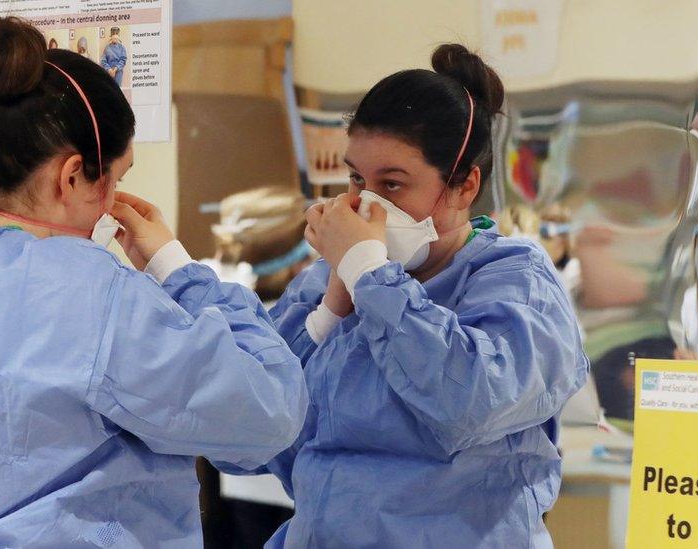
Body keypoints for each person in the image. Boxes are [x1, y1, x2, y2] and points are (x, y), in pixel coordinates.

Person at [0, 15, 307, 548]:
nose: (116, 199)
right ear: (71, 176)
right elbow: (267, 414)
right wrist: (177, 269)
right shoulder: (94, 295)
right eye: (116, 179)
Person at [226, 44, 589, 547]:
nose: (366, 204)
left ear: (463, 187)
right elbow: (239, 439)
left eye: (393, 184)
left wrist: (373, 277)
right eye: (357, 178)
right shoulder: (328, 279)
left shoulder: (514, 280)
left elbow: (472, 403)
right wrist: (328, 312)